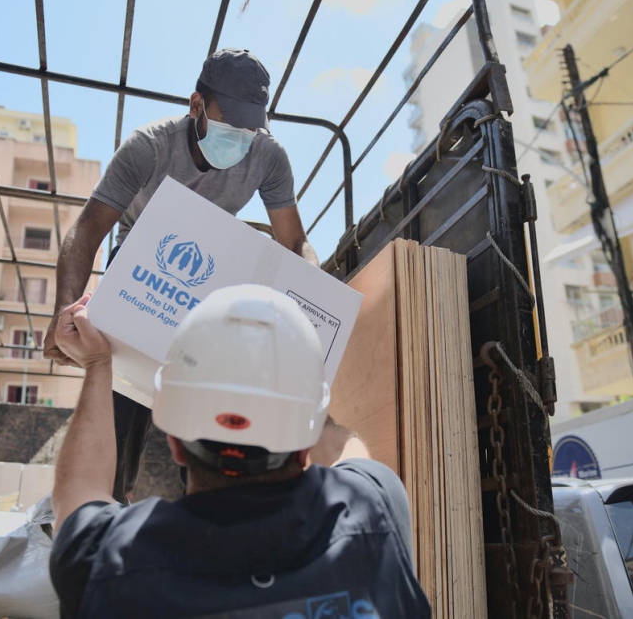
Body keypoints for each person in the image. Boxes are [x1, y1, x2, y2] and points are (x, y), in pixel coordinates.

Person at [49, 285, 432, 618]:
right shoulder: (373, 506)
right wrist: (294, 376)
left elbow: (77, 493)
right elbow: (341, 444)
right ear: (305, 449)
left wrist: (98, 363)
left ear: (175, 442)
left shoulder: (109, 562)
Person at [43, 48, 317, 502]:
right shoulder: (149, 146)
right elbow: (88, 227)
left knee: (208, 397)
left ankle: (209, 512)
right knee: (122, 398)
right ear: (196, 106)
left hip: (216, 271)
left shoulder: (268, 157)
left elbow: (294, 242)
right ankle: (106, 505)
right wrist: (63, 310)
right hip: (140, 269)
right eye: (230, 124)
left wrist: (316, 296)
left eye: (250, 128)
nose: (241, 137)